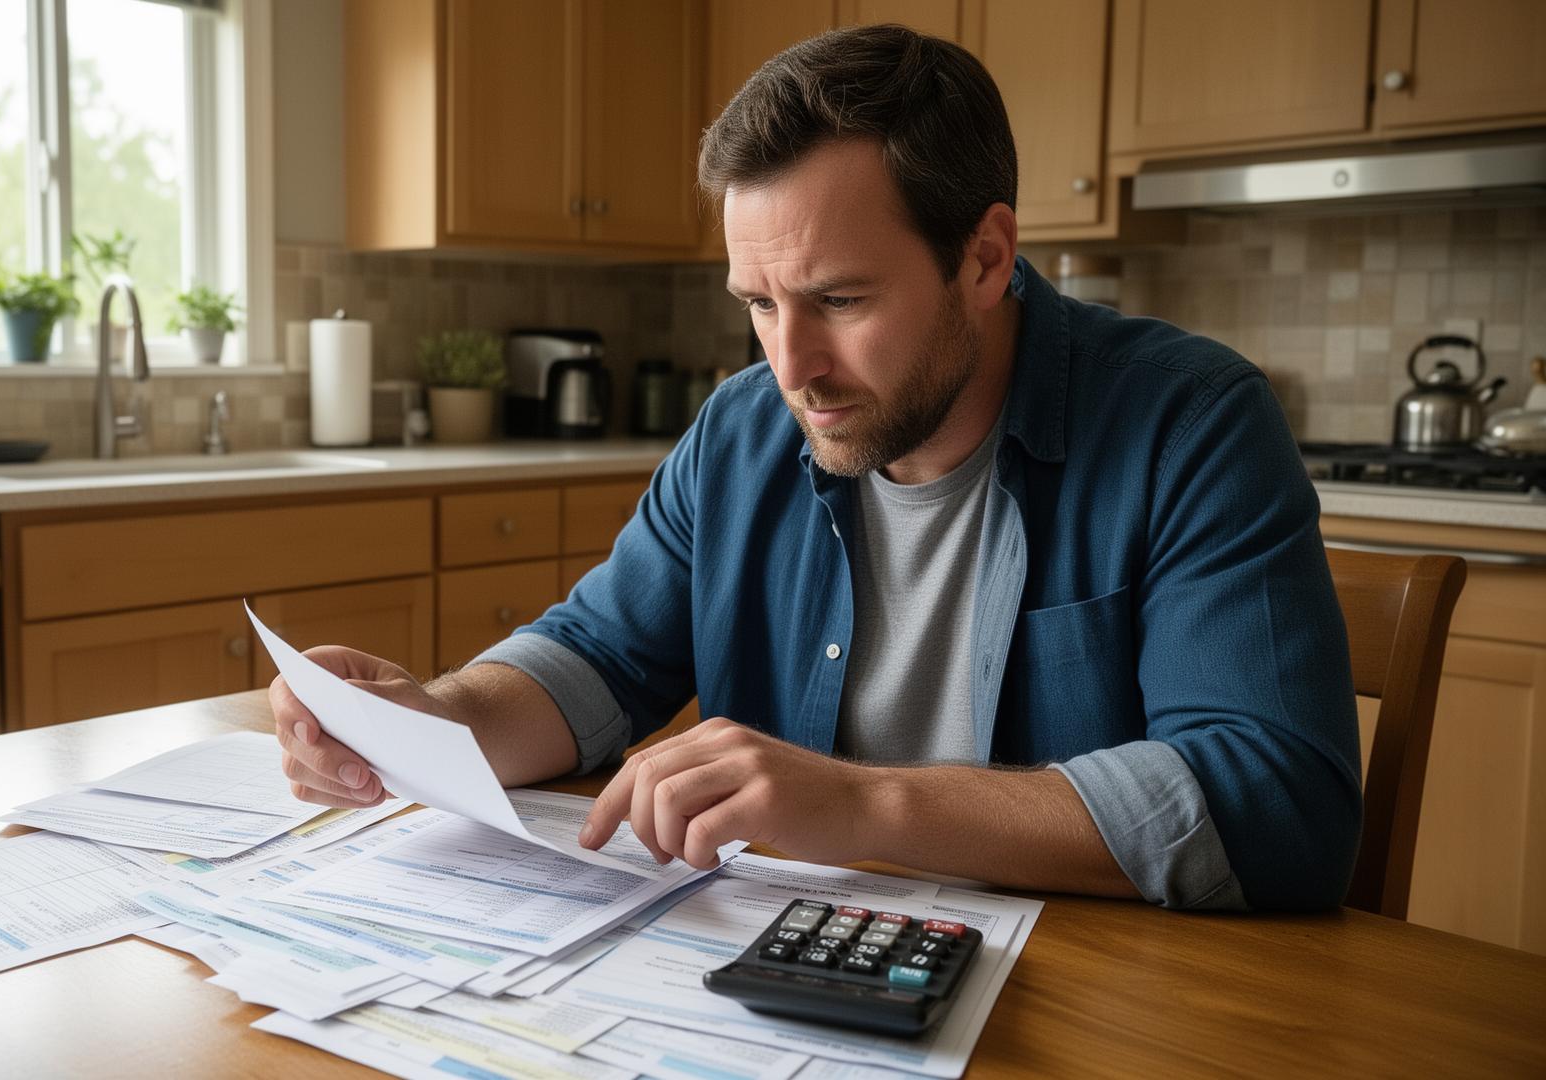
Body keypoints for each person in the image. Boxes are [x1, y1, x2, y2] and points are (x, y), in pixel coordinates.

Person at [270, 24, 1361, 910]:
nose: (793, 366)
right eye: (758, 304)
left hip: (1085, 1006)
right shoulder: (743, 429)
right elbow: (595, 657)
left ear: (985, 258)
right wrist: (434, 719)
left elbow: (1277, 800)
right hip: (775, 984)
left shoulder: (1191, 422)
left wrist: (859, 805)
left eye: (840, 300)